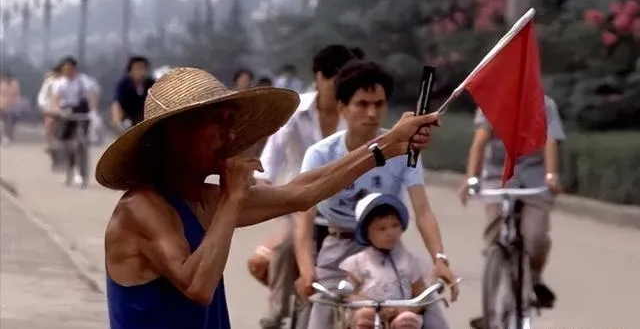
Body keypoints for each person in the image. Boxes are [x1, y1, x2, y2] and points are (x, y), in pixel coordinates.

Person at [98, 66, 440, 329]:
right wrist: (233, 198)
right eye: (217, 123)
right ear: (176, 135)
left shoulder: (205, 199)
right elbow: (197, 285)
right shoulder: (141, 208)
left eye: (230, 123)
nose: (230, 136)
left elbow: (301, 192)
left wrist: (387, 146)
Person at [296, 61, 457, 329]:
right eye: (362, 104)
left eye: (379, 104)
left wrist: (439, 259)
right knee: (319, 317)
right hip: (337, 254)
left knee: (432, 317)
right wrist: (305, 267)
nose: (372, 113)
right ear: (341, 107)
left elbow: (423, 211)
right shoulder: (320, 154)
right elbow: (304, 218)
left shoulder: (405, 151)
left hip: (389, 248)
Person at [249, 44, 365, 329]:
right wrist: (264, 189)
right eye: (333, 76)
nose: (338, 84)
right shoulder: (295, 110)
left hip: (342, 205)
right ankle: (277, 310)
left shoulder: (356, 113)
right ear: (318, 77)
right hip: (295, 201)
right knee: (287, 244)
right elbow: (271, 159)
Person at [460, 96, 566, 329]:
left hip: (535, 176)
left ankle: (534, 278)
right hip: (498, 175)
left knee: (535, 236)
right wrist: (471, 178)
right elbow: (480, 140)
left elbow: (550, 141)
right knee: (495, 233)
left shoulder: (545, 105)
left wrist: (551, 175)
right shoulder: (492, 101)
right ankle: (490, 310)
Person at [342, 193, 429, 329]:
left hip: (400, 314)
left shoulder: (409, 261)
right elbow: (349, 294)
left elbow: (421, 293)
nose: (390, 233)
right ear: (367, 233)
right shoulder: (358, 262)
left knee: (408, 320)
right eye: (382, 229)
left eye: (395, 225)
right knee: (364, 317)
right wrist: (371, 305)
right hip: (371, 313)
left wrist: (408, 308)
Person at [50, 56, 99, 186]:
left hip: (82, 112)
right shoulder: (59, 83)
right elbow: (56, 99)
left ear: (75, 69)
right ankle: (69, 170)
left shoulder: (83, 81)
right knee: (67, 145)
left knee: (81, 143)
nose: (68, 72)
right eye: (66, 69)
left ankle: (82, 174)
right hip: (66, 112)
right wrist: (58, 110)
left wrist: (93, 111)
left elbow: (90, 96)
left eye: (70, 69)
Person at [111, 56, 155, 131]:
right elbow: (117, 104)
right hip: (129, 121)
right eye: (137, 69)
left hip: (148, 119)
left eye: (142, 68)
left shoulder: (152, 84)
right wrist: (117, 123)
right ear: (130, 71)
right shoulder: (124, 85)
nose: (140, 72)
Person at [38, 65, 63, 150]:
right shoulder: (48, 82)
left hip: (63, 106)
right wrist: (44, 105)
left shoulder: (65, 82)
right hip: (50, 106)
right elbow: (43, 95)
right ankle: (48, 142)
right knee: (49, 122)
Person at [0, 70, 21, 143]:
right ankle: (3, 136)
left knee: (11, 122)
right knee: (2, 121)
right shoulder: (1, 83)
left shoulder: (15, 84)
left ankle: (9, 135)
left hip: (12, 105)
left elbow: (17, 94)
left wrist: (17, 104)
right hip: (1, 104)